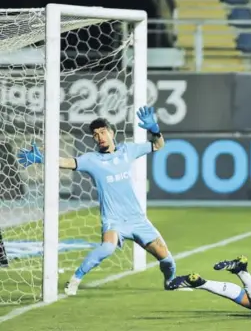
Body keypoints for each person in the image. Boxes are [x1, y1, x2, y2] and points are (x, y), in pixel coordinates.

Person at [17, 106, 177, 295]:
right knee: (107, 247)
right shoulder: (91, 160)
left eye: (102, 132)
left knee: (167, 260)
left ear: (111, 132)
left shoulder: (128, 150)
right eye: (95, 134)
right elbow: (68, 162)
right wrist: (42, 158)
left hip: (137, 219)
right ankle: (75, 279)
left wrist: (155, 130)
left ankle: (170, 282)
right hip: (113, 219)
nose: (99, 137)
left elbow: (158, 145)